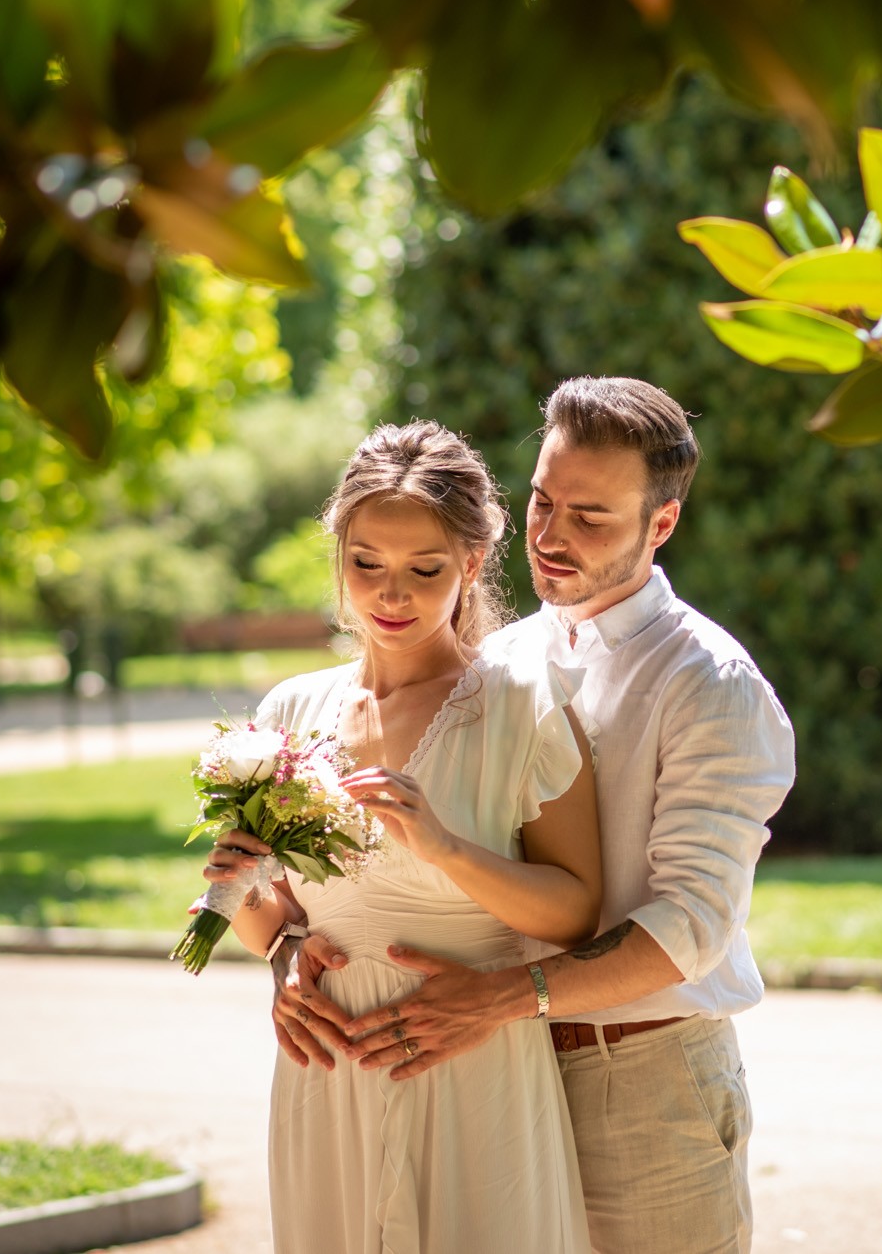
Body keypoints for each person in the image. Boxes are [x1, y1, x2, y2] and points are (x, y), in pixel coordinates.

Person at [272, 377, 797, 1254]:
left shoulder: (710, 681)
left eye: (590, 517)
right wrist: (294, 953)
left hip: (642, 1073)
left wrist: (500, 1002)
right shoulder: (504, 661)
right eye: (545, 502)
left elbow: (693, 925)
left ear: (660, 524)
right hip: (491, 1070)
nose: (551, 537)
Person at [203, 421, 603, 1253]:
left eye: (425, 569)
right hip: (328, 1071)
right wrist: (266, 937)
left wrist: (445, 846)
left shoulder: (521, 705)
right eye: (366, 565)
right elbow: (279, 921)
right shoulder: (289, 713)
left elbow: (575, 910)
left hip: (472, 1069)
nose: (392, 594)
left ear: (470, 561)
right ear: (338, 553)